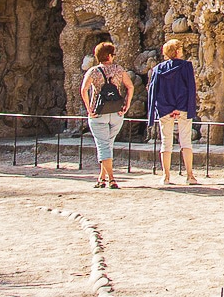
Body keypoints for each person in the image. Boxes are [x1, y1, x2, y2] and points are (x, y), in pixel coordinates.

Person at [80, 41, 133, 189]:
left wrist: (89, 108)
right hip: (116, 112)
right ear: (109, 56)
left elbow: (84, 89)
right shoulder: (119, 70)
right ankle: (101, 178)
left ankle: (111, 179)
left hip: (98, 113)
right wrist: (127, 104)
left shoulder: (93, 71)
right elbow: (130, 86)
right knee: (107, 145)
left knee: (103, 146)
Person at [146, 39, 199, 186]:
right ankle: (189, 175)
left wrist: (160, 109)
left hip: (165, 109)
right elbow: (190, 88)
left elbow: (154, 90)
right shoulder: (186, 67)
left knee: (166, 142)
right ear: (177, 51)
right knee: (186, 141)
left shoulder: (158, 69)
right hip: (182, 108)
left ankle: (166, 176)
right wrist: (184, 107)